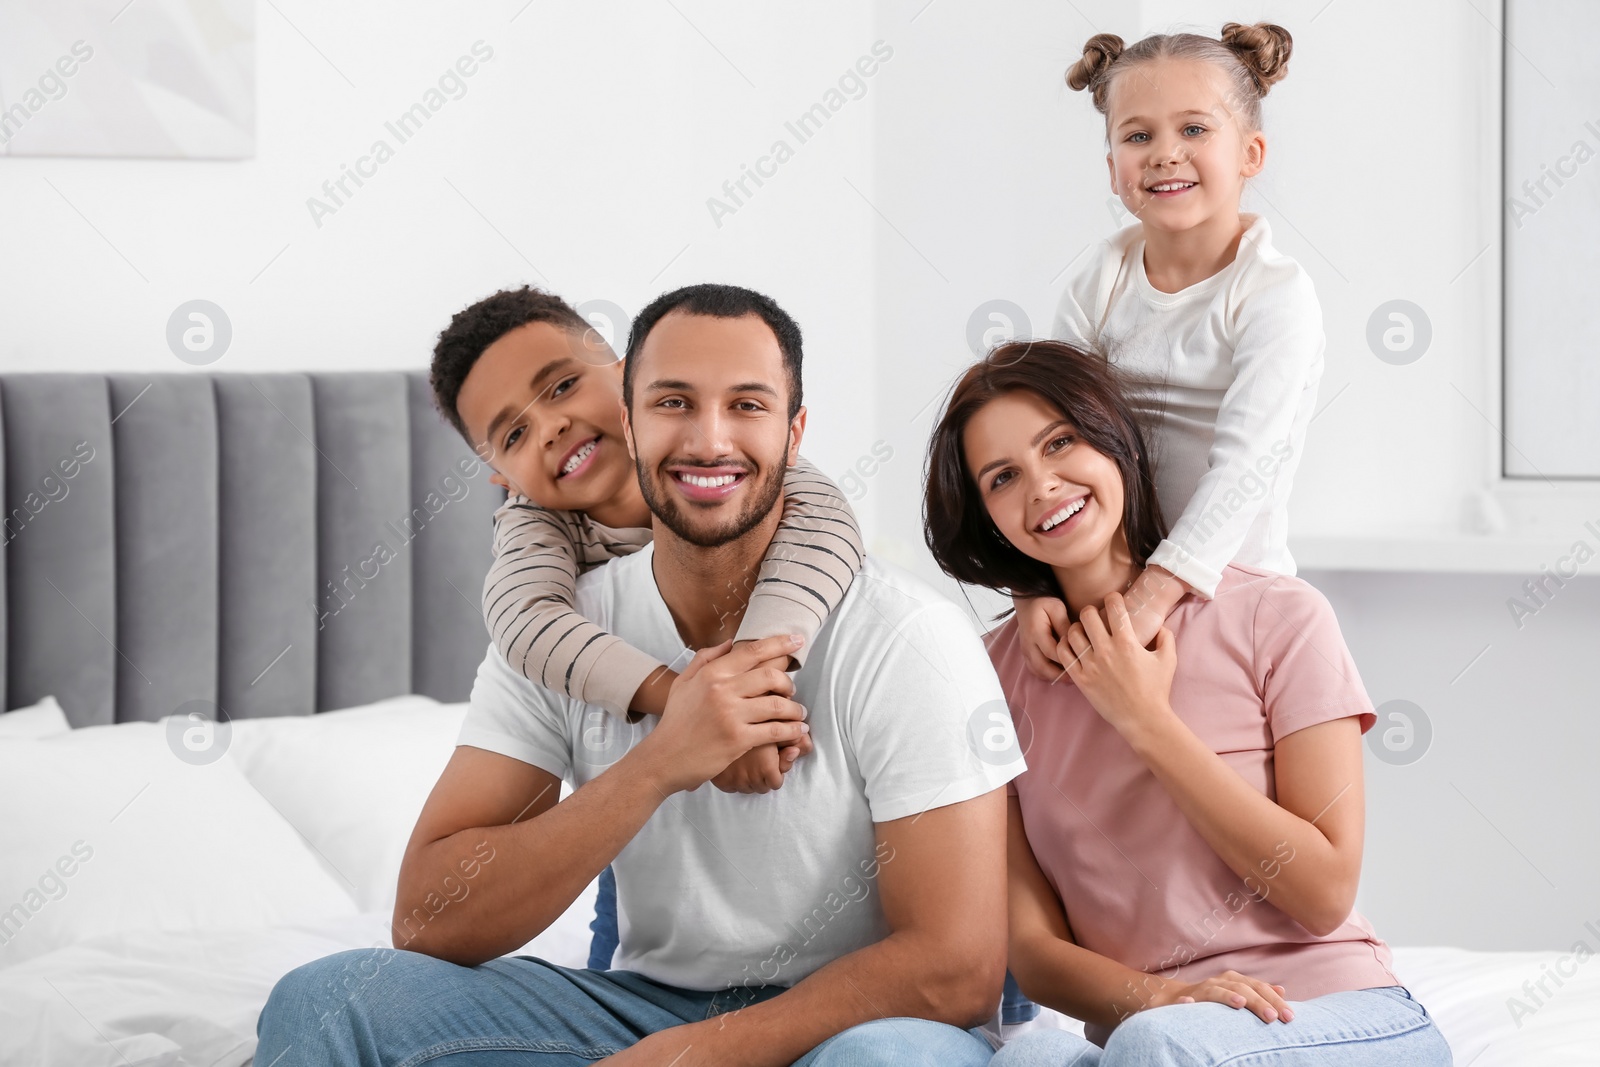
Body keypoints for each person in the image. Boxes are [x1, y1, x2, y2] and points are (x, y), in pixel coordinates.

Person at [254, 283, 1025, 1066]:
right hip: (647, 1004)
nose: (709, 439)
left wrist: (693, 1055)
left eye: (747, 406)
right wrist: (662, 757)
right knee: (326, 1003)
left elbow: (954, 968)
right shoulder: (551, 627)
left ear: (796, 434)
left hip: (860, 1016)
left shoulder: (903, 631)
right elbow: (428, 918)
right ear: (632, 415)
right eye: (674, 403)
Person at [923, 340, 1452, 1064]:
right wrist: (1161, 998)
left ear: (1117, 444)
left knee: (1155, 1047)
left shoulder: (1276, 614)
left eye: (1061, 443)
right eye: (1004, 476)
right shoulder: (990, 679)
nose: (1043, 486)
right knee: (1030, 1058)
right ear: (985, 516)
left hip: (1334, 1013)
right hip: (1154, 1032)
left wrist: (1145, 720)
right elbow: (1035, 949)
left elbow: (1325, 891)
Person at [1011, 23, 1326, 698]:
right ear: (1111, 167)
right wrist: (1033, 583)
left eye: (1194, 130)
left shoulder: (1273, 295)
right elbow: (1042, 435)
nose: (1164, 155)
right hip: (1109, 593)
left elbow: (1245, 466)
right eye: (1137, 136)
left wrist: (1158, 593)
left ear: (1251, 153)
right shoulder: (1099, 281)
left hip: (1232, 593)